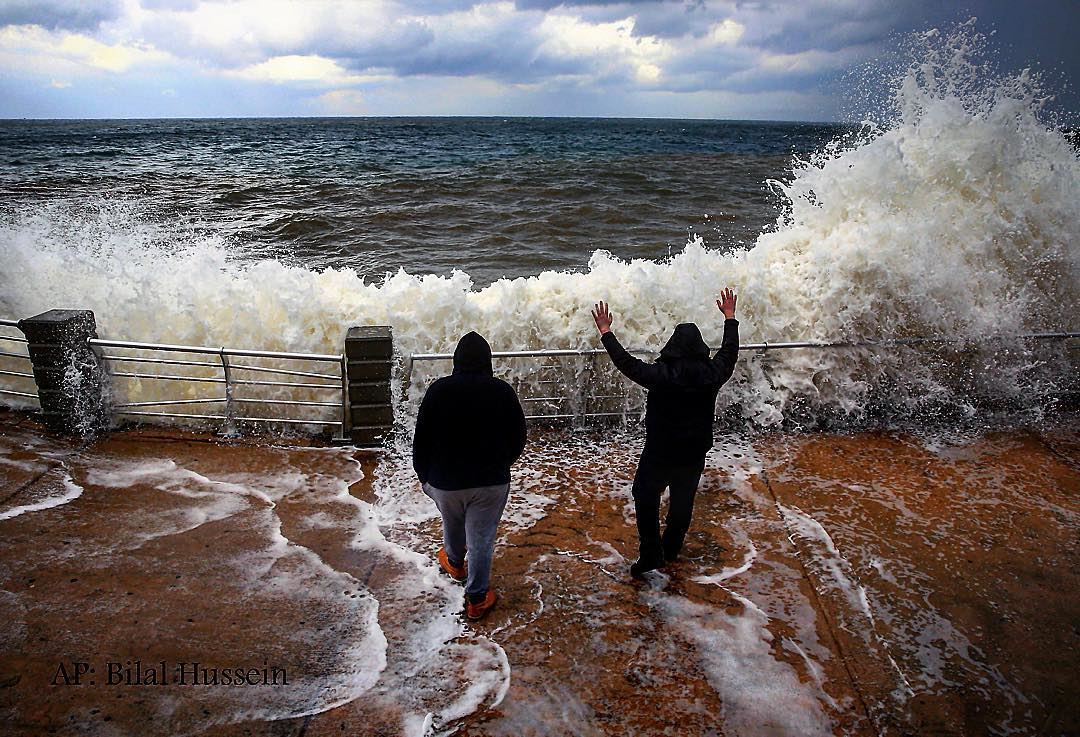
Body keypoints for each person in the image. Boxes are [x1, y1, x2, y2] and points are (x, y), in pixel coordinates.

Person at [591, 289, 739, 578]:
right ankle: (670, 550)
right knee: (683, 502)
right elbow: (729, 352)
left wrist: (606, 332)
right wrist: (730, 318)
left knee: (644, 494)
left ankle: (651, 553)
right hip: (694, 452)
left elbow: (627, 364)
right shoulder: (712, 374)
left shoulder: (662, 375)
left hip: (660, 452)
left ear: (672, 345)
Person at [413, 331, 527, 620]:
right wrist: (503, 464)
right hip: (490, 481)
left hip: (445, 482)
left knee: (452, 519)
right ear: (488, 361)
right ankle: (476, 599)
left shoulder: (438, 390)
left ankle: (454, 562)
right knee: (481, 539)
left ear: (456, 361)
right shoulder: (502, 391)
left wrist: (424, 476)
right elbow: (519, 437)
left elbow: (422, 438)